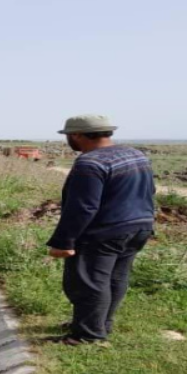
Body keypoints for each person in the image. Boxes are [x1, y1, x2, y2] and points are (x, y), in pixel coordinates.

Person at [48, 115, 156, 345]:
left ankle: (88, 335)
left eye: (68, 136)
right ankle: (98, 324)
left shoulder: (90, 163)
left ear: (76, 135)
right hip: (140, 226)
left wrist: (63, 241)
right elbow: (150, 190)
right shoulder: (136, 154)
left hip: (106, 232)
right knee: (115, 278)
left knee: (89, 281)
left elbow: (83, 206)